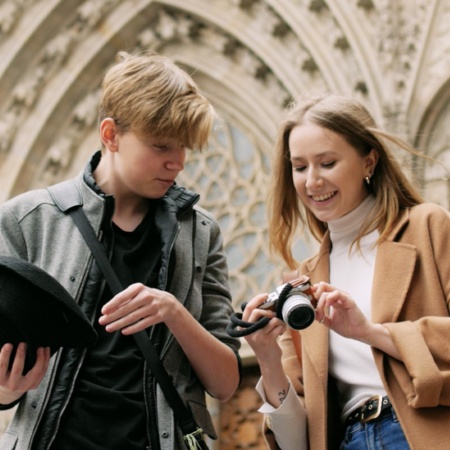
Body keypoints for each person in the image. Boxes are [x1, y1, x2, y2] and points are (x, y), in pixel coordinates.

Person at [0, 49, 241, 450]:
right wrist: (5, 392)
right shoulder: (26, 219)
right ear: (110, 134)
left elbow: (226, 384)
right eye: (162, 146)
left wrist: (172, 312)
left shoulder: (201, 233)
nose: (177, 163)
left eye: (184, 148)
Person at [241, 93, 450, 450]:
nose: (312, 182)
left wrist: (370, 332)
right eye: (300, 167)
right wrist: (267, 359)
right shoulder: (301, 286)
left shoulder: (427, 226)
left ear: (369, 162)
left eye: (327, 163)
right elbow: (296, 443)